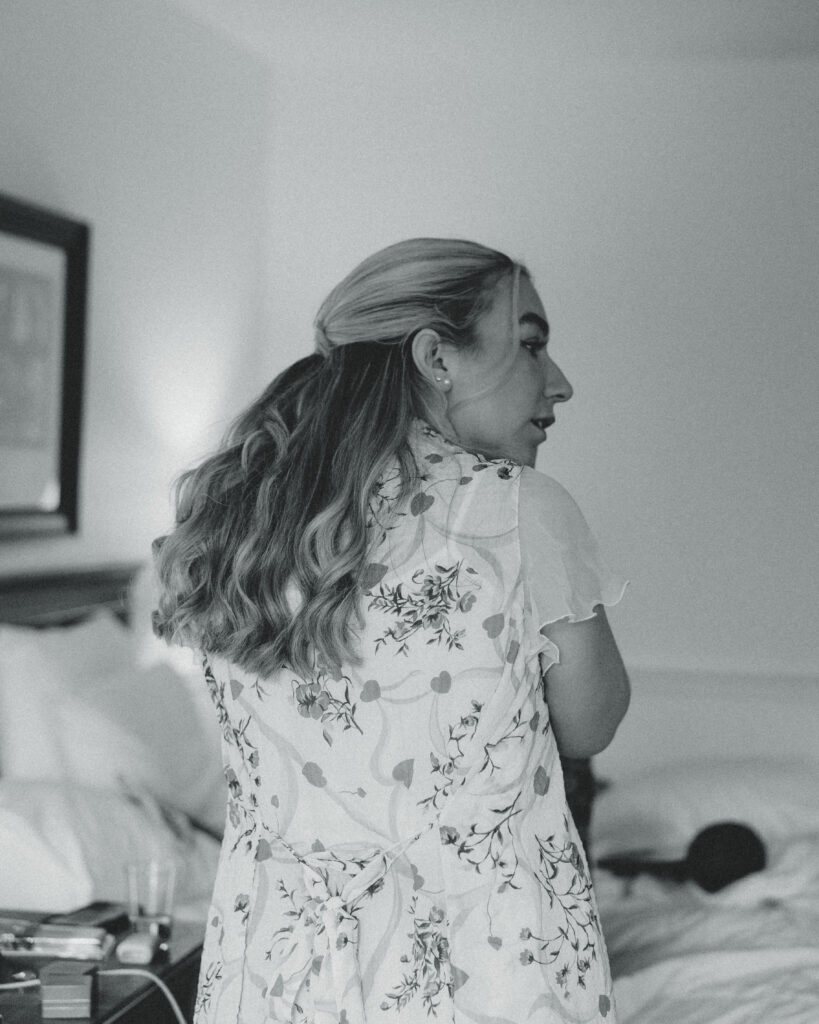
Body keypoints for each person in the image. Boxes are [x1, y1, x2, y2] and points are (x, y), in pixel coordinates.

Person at [153, 238, 630, 1024]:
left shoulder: (235, 518)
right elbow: (591, 723)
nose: (559, 381)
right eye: (531, 344)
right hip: (478, 967)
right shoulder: (518, 510)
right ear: (435, 356)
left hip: (277, 967)